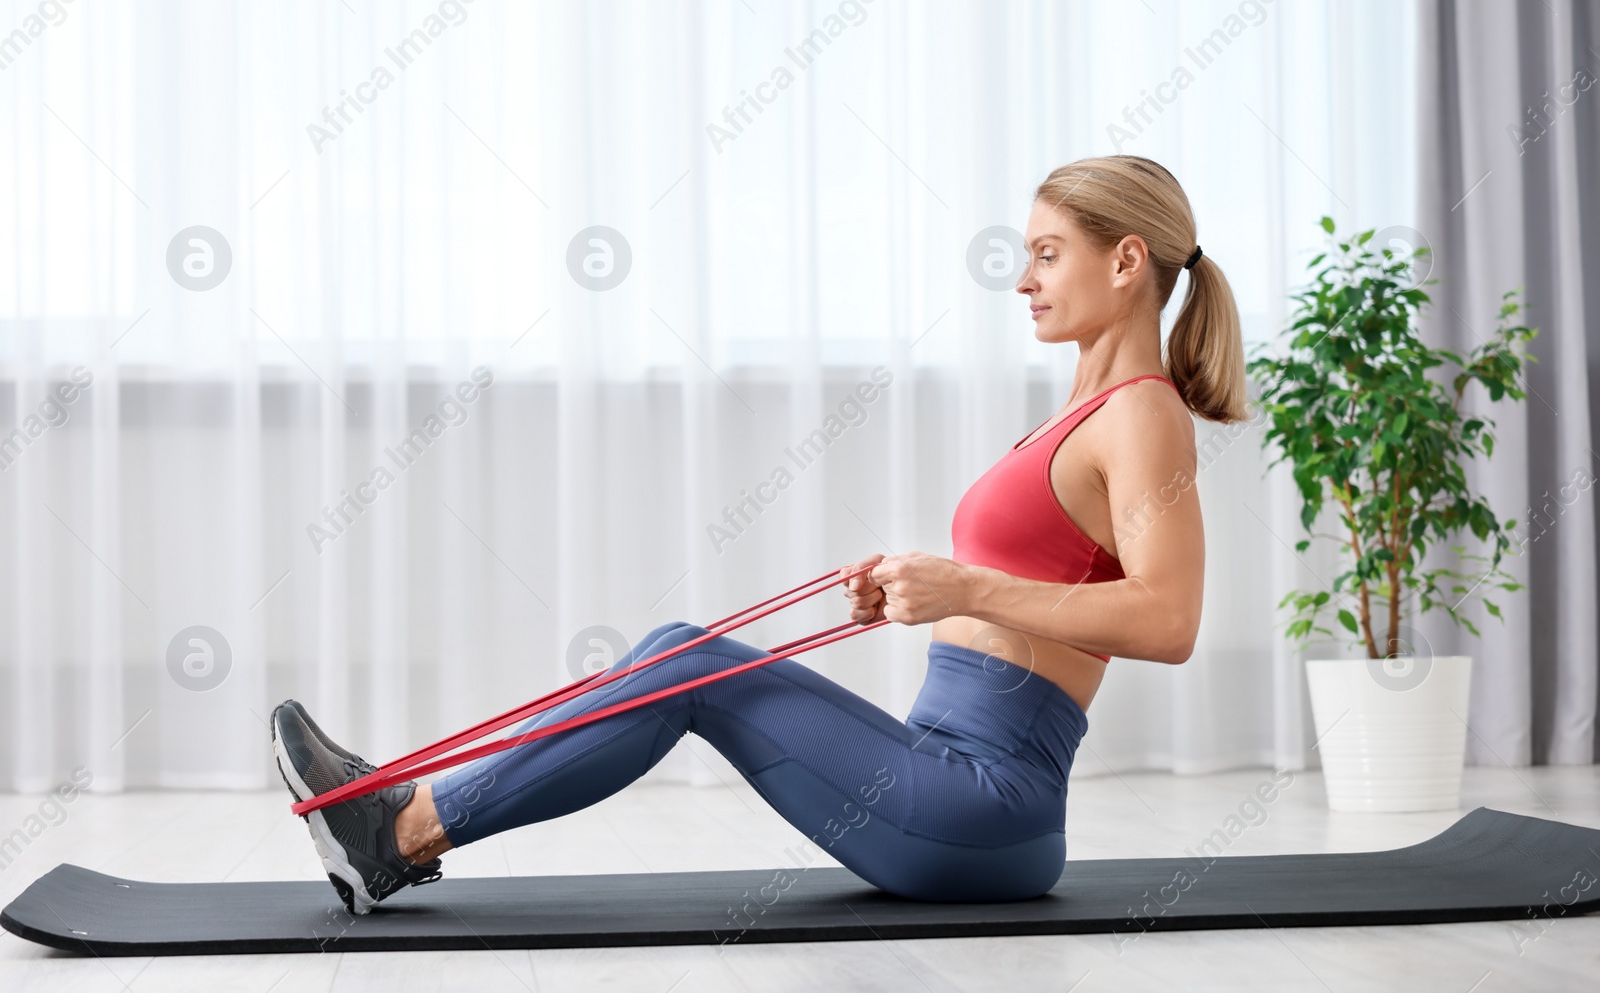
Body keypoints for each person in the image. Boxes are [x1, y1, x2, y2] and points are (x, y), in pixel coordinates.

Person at [271, 154, 1250, 915]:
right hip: (939, 768)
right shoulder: (1076, 414)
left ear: (1125, 260)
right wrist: (923, 588)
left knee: (684, 666)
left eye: (1046, 252)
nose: (1023, 276)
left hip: (984, 812)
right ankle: (402, 815)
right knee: (677, 652)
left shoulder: (1141, 413)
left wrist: (965, 589)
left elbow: (1168, 619)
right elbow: (1026, 589)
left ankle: (399, 834)